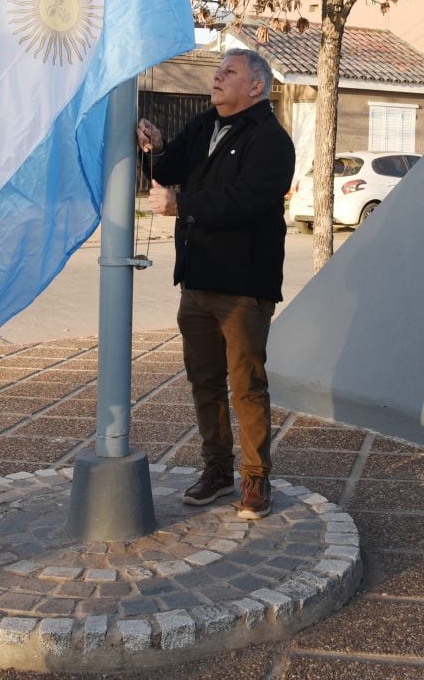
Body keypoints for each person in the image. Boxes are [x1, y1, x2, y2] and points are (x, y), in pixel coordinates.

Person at [137, 49, 296, 520]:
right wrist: (158, 146)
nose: (217, 77)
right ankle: (217, 471)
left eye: (230, 72)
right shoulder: (205, 124)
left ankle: (255, 480)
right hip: (198, 280)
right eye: (218, 69)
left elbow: (244, 201)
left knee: (246, 386)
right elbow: (168, 169)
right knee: (204, 382)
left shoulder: (271, 140)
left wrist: (181, 206)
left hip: (244, 286)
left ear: (256, 87)